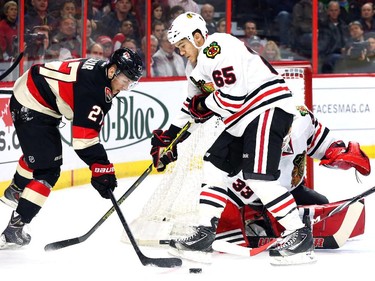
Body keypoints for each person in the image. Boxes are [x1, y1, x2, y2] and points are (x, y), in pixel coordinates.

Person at [150, 12, 315, 265]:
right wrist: (169, 141)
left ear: (197, 37)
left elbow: (233, 98)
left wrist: (203, 104)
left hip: (266, 111)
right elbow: (191, 109)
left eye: (182, 45)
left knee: (258, 178)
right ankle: (204, 233)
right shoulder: (193, 68)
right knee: (213, 166)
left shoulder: (219, 47)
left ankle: (299, 235)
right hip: (242, 121)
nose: (181, 52)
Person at [0, 47, 143, 249]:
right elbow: (83, 142)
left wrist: (100, 166)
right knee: (48, 170)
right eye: (126, 80)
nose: (126, 87)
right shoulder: (95, 90)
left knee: (40, 153)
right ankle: (15, 229)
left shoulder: (102, 74)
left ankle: (16, 190)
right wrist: (101, 167)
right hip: (32, 104)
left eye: (132, 83)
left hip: (35, 94)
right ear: (112, 71)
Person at [213, 105, 370, 247]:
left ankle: (264, 223)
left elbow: (323, 143)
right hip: (248, 195)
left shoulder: (302, 117)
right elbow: (223, 179)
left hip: (289, 189)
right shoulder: (241, 123)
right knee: (229, 227)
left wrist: (339, 154)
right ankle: (256, 221)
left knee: (320, 203)